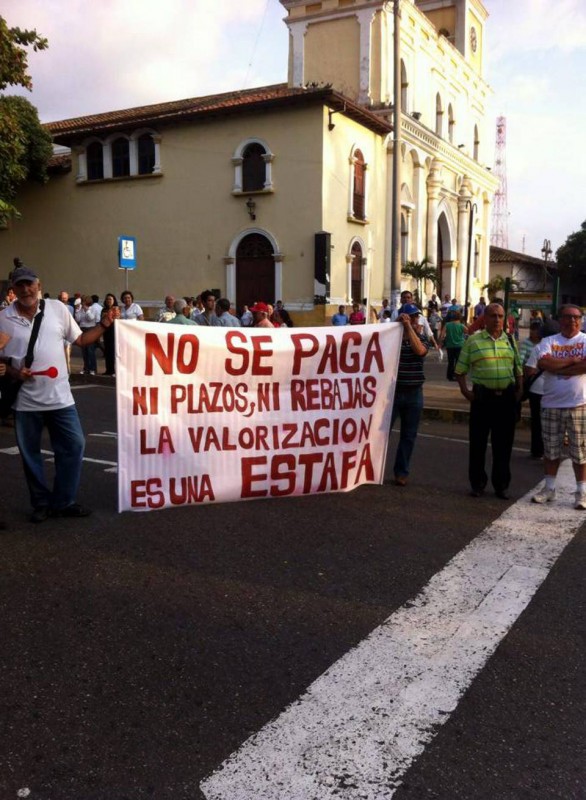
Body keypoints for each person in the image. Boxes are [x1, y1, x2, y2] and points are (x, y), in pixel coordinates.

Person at [0, 264, 116, 522]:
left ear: (38, 285)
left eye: (30, 283)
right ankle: (41, 503)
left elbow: (82, 341)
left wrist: (104, 325)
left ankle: (63, 501)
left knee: (75, 445)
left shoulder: (57, 309)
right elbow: (1, 360)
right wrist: (15, 373)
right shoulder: (4, 319)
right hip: (26, 401)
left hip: (61, 399)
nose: (26, 288)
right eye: (20, 284)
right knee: (30, 456)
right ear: (14, 289)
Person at [455, 303, 523, 499]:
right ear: (484, 318)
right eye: (493, 316)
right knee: (478, 444)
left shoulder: (510, 340)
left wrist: (519, 389)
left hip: (506, 400)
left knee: (503, 445)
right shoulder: (473, 341)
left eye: (500, 316)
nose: (497, 320)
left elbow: (517, 367)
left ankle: (501, 485)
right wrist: (466, 392)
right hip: (482, 399)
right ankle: (477, 484)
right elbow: (460, 370)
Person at [530, 305, 586, 510]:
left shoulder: (585, 341)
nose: (572, 321)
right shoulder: (548, 341)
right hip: (551, 404)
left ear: (580, 320)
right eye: (568, 317)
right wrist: (572, 360)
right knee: (551, 450)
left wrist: (559, 363)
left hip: (578, 404)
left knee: (580, 453)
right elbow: (545, 363)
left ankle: (581, 492)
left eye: (576, 317)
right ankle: (549, 488)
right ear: (560, 319)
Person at [389, 304, 431, 486]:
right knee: (381, 434)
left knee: (408, 435)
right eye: (409, 317)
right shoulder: (390, 339)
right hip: (393, 393)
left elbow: (420, 350)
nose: (413, 320)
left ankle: (401, 472)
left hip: (414, 393)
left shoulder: (421, 337)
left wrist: (408, 329)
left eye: (415, 317)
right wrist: (397, 329)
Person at [521, 321, 545, 460]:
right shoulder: (528, 344)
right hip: (534, 385)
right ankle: (537, 449)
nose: (532, 332)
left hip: (544, 388)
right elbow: (522, 361)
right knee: (537, 420)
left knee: (542, 420)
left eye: (534, 330)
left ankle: (542, 449)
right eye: (531, 329)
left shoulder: (543, 345)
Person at [75, 295, 101, 375]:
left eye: (83, 301)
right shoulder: (81, 309)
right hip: (82, 329)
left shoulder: (93, 308)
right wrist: (77, 310)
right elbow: (78, 319)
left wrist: (87, 310)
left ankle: (93, 369)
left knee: (90, 350)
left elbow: (91, 318)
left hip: (90, 329)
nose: (82, 303)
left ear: (87, 301)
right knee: (84, 350)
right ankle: (86, 368)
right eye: (82, 301)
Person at [439, 310, 467, 381]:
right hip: (460, 346)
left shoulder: (447, 325)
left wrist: (440, 343)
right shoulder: (461, 326)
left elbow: (442, 335)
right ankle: (457, 376)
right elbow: (469, 332)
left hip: (450, 346)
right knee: (458, 361)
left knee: (450, 362)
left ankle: (450, 376)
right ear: (460, 317)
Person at [101, 293, 119, 375]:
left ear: (114, 301)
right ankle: (108, 369)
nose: (108, 301)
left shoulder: (116, 309)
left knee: (113, 351)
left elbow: (116, 318)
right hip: (106, 331)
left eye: (110, 299)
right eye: (107, 299)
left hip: (114, 331)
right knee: (107, 351)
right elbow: (102, 318)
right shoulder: (103, 309)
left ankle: (114, 370)